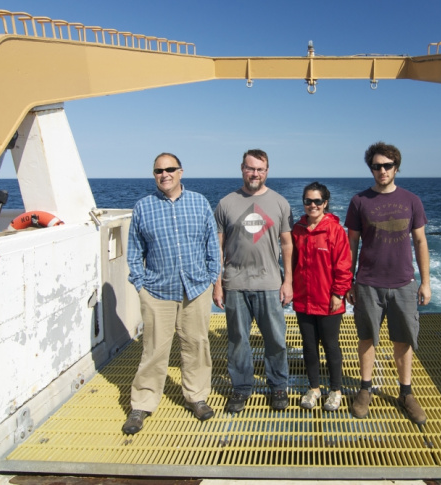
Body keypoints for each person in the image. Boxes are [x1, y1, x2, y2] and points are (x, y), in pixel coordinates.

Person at [122, 152, 221, 435]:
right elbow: (134, 251)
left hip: (195, 288)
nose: (164, 174)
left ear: (181, 172)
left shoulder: (199, 202)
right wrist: (140, 284)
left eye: (169, 169)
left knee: (197, 344)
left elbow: (211, 244)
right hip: (157, 291)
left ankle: (196, 397)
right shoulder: (143, 207)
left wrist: (213, 277)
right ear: (154, 175)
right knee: (154, 349)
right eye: (158, 171)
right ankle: (142, 403)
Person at [345, 142, 431, 425]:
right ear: (370, 168)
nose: (382, 170)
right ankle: (365, 389)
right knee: (367, 338)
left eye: (387, 165)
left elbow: (420, 241)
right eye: (377, 166)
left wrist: (425, 282)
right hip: (368, 282)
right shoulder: (359, 201)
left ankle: (406, 393)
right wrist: (349, 281)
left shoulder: (412, 200)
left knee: (403, 340)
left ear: (396, 167)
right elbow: (352, 243)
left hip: (404, 283)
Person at [213, 149, 294, 413]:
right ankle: (241, 388)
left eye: (260, 169)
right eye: (250, 168)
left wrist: (288, 281)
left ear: (267, 171)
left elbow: (286, 244)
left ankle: (278, 385)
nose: (255, 173)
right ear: (242, 169)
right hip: (235, 283)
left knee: (275, 339)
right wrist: (217, 284)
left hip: (270, 282)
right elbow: (218, 247)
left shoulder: (280, 203)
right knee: (238, 340)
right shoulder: (226, 203)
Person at [291, 182, 352, 411]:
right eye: (308, 201)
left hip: (329, 300)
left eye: (317, 201)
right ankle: (314, 387)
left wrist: (339, 293)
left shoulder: (335, 231)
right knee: (309, 345)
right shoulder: (297, 230)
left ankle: (335, 390)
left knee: (330, 345)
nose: (312, 205)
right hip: (303, 299)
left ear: (325, 203)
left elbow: (344, 265)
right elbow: (292, 262)